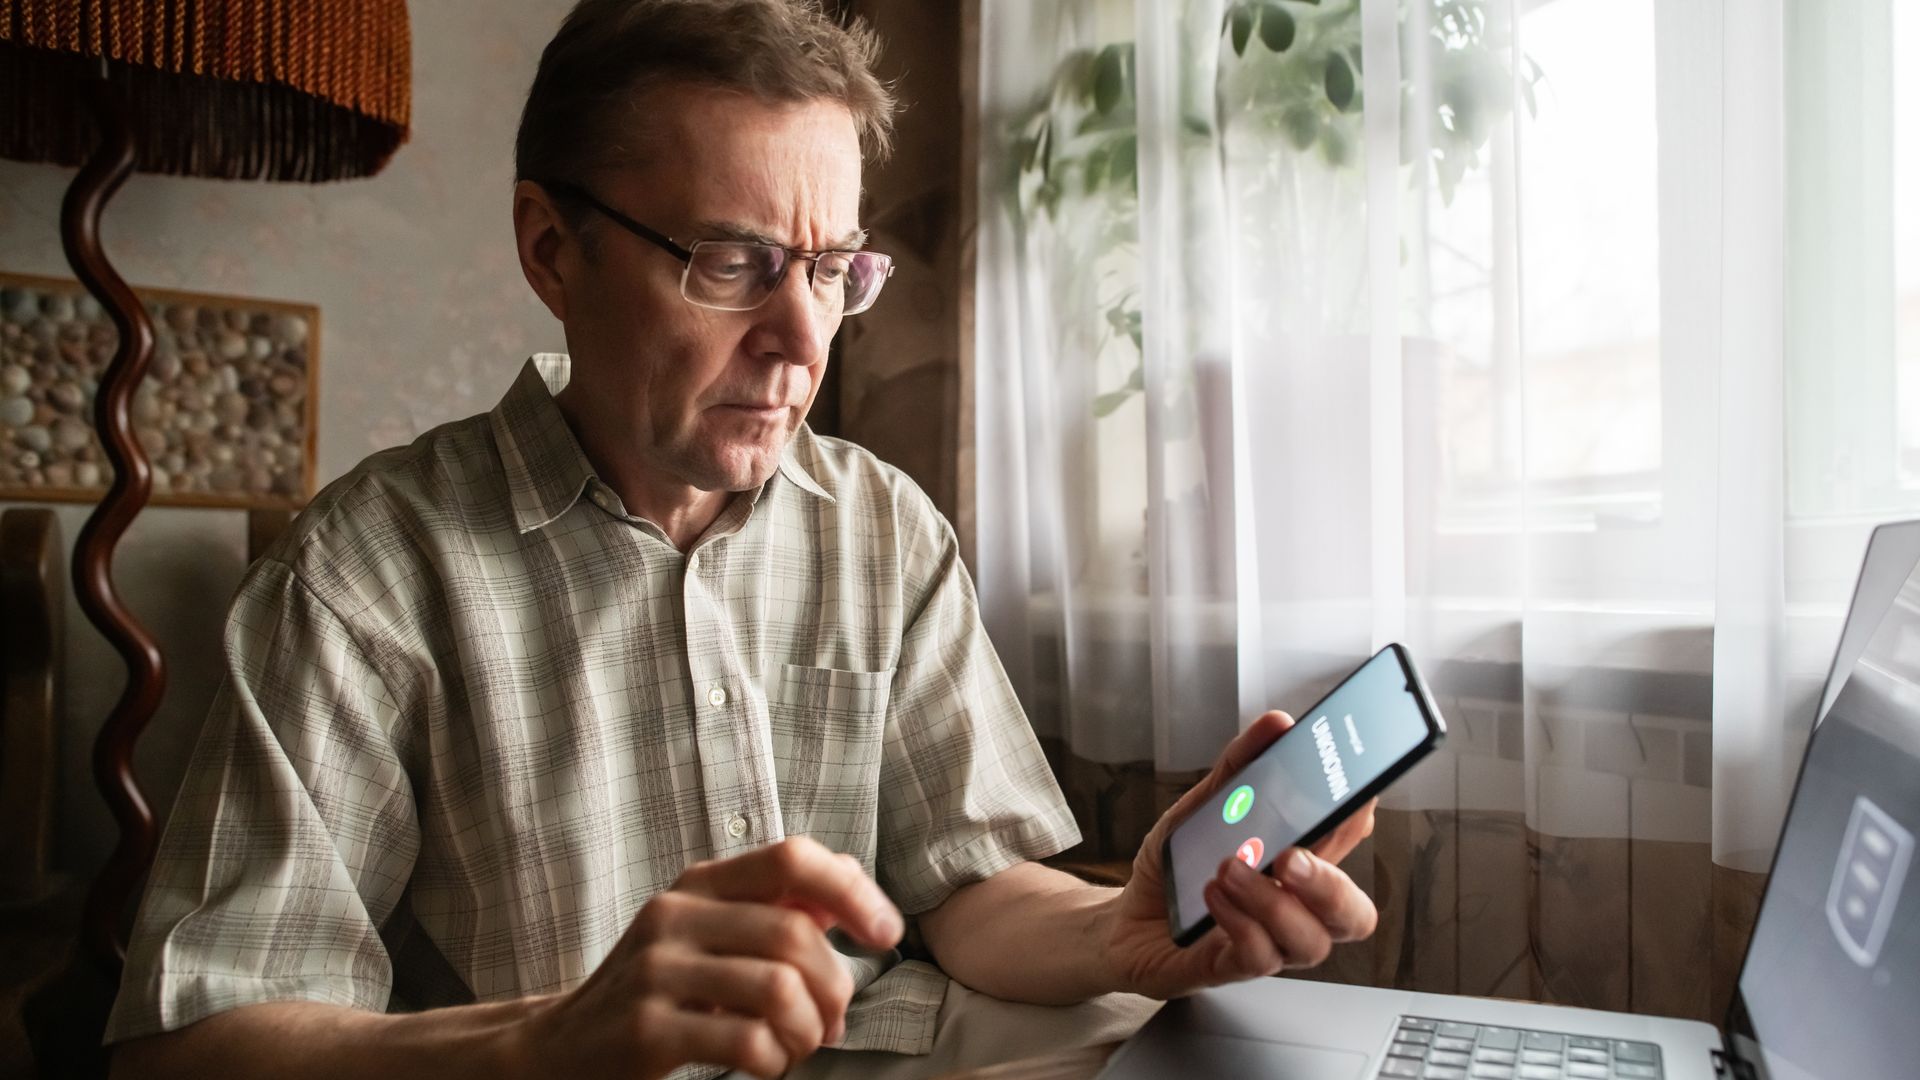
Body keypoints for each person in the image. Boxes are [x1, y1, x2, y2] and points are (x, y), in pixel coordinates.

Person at [103, 2, 1379, 1077]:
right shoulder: (369, 575)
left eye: (832, 271)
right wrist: (546, 1043)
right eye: (732, 262)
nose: (804, 340)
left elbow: (970, 893)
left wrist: (1125, 928)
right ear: (554, 249)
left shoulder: (883, 528)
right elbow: (188, 1038)